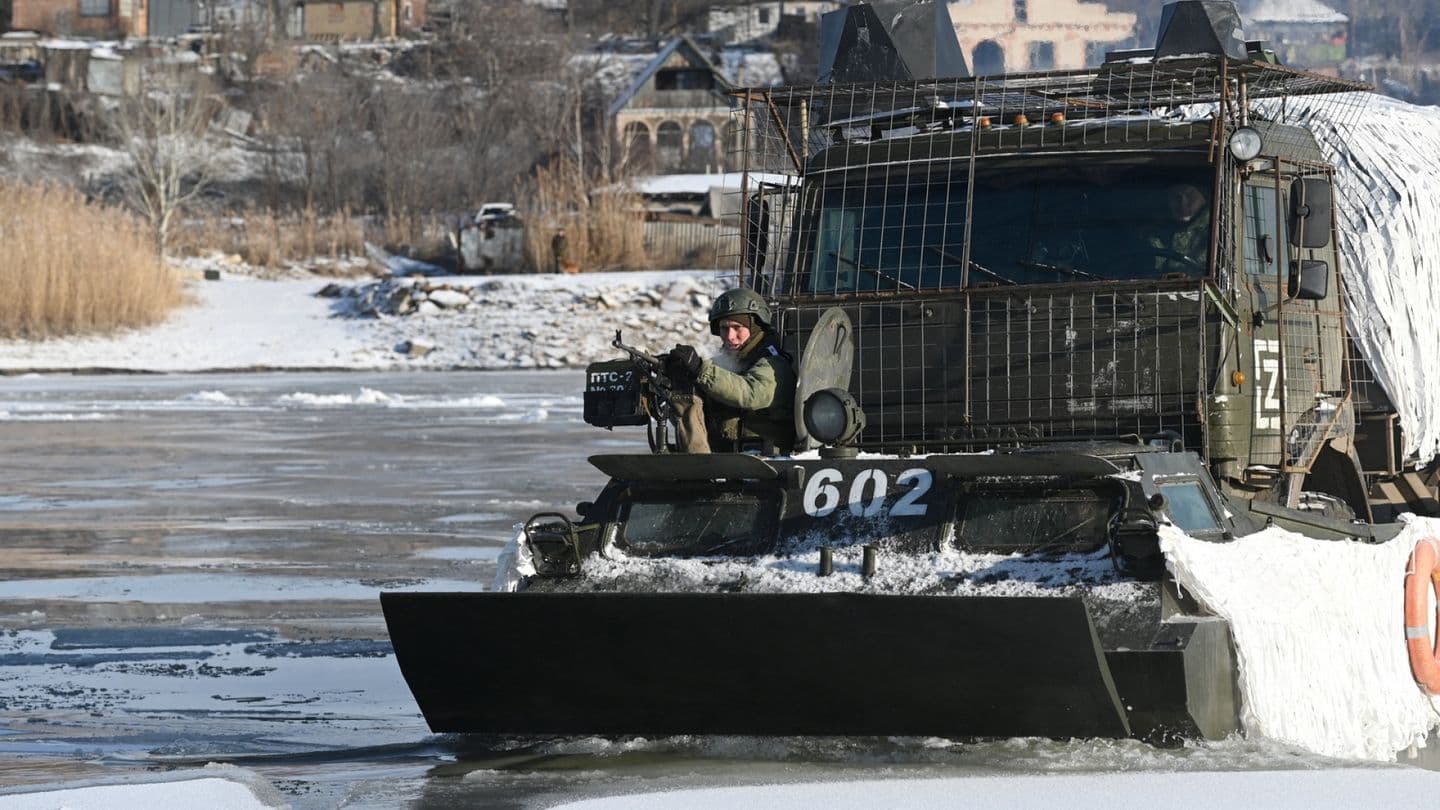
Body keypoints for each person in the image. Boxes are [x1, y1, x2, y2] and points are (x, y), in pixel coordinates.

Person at [665, 288, 796, 455]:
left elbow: (750, 394)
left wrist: (699, 369)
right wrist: (677, 374)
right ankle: (698, 466)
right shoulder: (727, 362)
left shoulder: (774, 363)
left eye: (737, 327)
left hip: (768, 459)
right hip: (728, 457)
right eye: (724, 328)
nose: (730, 336)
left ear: (755, 326)